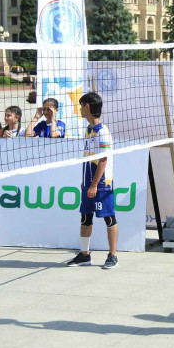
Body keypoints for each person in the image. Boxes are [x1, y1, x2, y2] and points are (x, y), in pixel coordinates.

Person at [66, 92, 119, 269]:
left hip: (102, 184)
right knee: (85, 217)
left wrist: (95, 184)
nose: (80, 109)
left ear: (88, 107)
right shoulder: (88, 130)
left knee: (109, 218)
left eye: (81, 106)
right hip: (88, 182)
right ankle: (84, 254)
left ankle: (113, 256)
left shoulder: (102, 132)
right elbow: (89, 159)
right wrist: (85, 182)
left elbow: (103, 160)